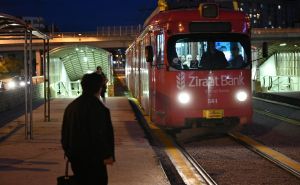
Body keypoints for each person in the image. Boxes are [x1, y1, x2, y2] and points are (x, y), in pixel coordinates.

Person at [61, 73, 115, 185]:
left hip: (76, 160)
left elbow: (64, 135)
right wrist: (107, 155)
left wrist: (69, 153)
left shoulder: (71, 107)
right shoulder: (100, 109)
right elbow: (100, 135)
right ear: (99, 88)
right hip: (95, 161)